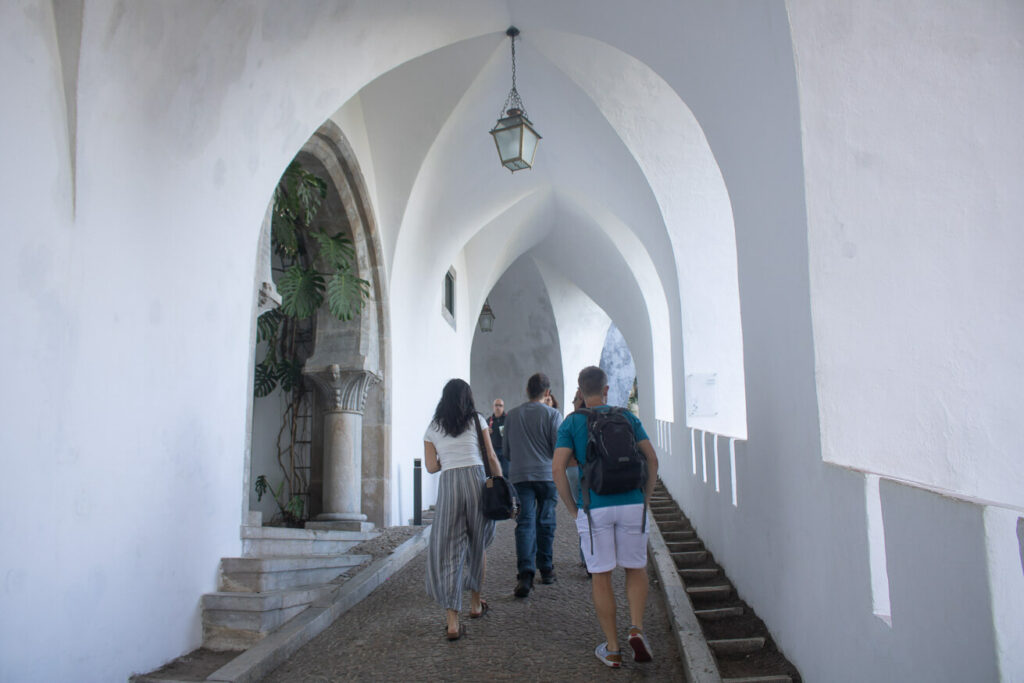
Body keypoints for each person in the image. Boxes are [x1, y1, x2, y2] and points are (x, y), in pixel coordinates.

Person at [552, 366, 659, 668]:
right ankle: (636, 627)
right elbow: (652, 458)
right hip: (632, 503)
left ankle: (612, 648)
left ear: (580, 391)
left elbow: (558, 468)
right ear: (607, 389)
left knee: (601, 575)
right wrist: (645, 499)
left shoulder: (572, 422)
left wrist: (573, 508)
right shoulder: (627, 417)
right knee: (636, 568)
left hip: (594, 505)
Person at [423, 378, 504, 640]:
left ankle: (452, 622)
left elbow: (431, 467)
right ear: (467, 398)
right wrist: (501, 481)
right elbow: (490, 456)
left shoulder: (433, 427)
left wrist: (446, 457)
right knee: (477, 543)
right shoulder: (477, 420)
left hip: (449, 485)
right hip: (476, 481)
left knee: (449, 550)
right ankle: (475, 604)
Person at [504, 372, 563, 598]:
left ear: (527, 391)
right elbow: (557, 449)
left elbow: (507, 451)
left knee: (525, 522)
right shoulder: (552, 415)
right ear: (547, 393)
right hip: (547, 476)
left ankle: (525, 575)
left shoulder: (512, 416)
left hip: (520, 476)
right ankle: (546, 569)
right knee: (546, 521)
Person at [487, 398, 509, 478]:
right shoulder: (488, 421)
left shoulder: (508, 419)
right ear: (493, 407)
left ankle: (507, 490)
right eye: (496, 405)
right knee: (493, 474)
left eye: (500, 405)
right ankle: (496, 490)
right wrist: (487, 433)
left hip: (505, 450)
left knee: (506, 473)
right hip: (493, 451)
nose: (498, 407)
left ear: (503, 407)